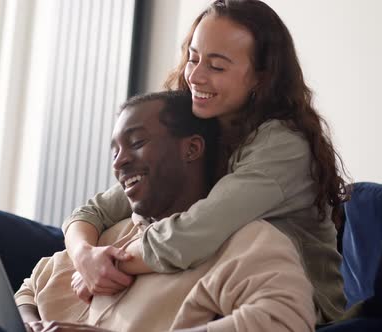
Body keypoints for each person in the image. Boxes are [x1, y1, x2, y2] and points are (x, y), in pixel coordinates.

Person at [0, 91, 315, 332]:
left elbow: (286, 320)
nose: (119, 162)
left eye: (135, 143)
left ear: (191, 148)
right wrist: (31, 322)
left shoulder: (243, 241)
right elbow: (30, 288)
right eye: (115, 150)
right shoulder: (108, 237)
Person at [64, 0, 348, 323]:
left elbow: (193, 232)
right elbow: (96, 211)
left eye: (217, 66)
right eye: (193, 58)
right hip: (202, 290)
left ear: (261, 77)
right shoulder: (202, 129)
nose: (196, 75)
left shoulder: (283, 146)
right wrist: (84, 256)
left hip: (286, 310)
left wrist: (110, 264)